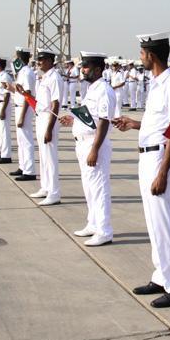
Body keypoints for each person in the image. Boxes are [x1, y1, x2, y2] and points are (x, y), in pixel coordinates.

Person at [113, 31, 170, 308]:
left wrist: (162, 172)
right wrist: (134, 124)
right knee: (153, 223)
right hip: (148, 157)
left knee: (163, 224)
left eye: (142, 53)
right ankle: (162, 275)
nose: (140, 57)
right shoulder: (158, 83)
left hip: (160, 160)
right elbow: (159, 124)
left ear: (152, 55)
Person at [59, 51, 116, 246]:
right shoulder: (92, 88)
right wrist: (72, 119)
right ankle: (93, 223)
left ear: (98, 69)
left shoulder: (104, 90)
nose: (82, 70)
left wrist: (95, 149)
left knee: (99, 188)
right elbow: (89, 115)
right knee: (89, 188)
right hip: (82, 142)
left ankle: (104, 230)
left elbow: (104, 121)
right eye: (82, 66)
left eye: (86, 67)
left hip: (94, 144)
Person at [28, 49, 63, 206]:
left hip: (49, 119)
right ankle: (45, 187)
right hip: (40, 117)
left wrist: (50, 128)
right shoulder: (44, 77)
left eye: (42, 60)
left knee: (50, 157)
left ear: (50, 61)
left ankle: (54, 192)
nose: (39, 62)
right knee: (43, 156)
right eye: (38, 60)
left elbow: (55, 104)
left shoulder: (54, 77)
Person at [11, 47, 38, 181]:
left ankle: (29, 171)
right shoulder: (21, 72)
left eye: (16, 57)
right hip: (19, 106)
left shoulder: (26, 72)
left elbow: (28, 95)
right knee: (21, 140)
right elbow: (21, 92)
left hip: (24, 108)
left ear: (21, 59)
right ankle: (23, 166)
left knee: (26, 140)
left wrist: (22, 115)